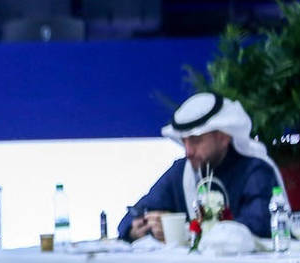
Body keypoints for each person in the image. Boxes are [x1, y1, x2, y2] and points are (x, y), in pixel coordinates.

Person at [119, 93, 283, 241]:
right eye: (184, 141)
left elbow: (258, 226)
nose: (188, 151)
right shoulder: (181, 171)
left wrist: (183, 230)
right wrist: (141, 229)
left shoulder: (255, 171)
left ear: (223, 137)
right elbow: (131, 217)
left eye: (196, 140)